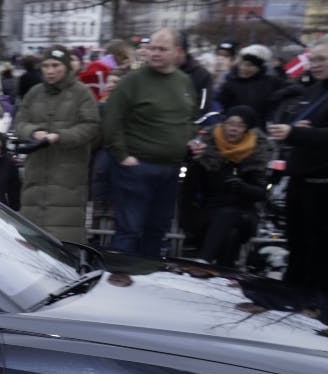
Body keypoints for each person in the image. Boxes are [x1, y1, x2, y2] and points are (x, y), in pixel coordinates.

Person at [101, 28, 198, 257]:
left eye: (162, 49)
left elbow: (190, 117)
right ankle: (121, 283)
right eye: (152, 48)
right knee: (129, 232)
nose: (154, 53)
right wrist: (123, 156)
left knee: (157, 230)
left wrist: (189, 138)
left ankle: (150, 282)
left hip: (171, 169)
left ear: (178, 52)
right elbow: (111, 121)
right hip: (136, 168)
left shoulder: (184, 82)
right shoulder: (132, 82)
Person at [14, 44, 99, 243]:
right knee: (33, 240)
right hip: (36, 172)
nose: (50, 71)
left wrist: (59, 136)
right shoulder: (34, 93)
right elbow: (20, 122)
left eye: (55, 65)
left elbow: (90, 126)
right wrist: (34, 132)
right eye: (46, 65)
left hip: (68, 176)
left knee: (64, 238)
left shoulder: (82, 93)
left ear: (67, 67)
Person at [267, 38, 328, 292]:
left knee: (320, 252)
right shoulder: (314, 89)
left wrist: (297, 133)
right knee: (297, 246)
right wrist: (296, 128)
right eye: (312, 59)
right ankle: (291, 295)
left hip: (323, 186)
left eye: (321, 59)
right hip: (300, 179)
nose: (313, 65)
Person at [185, 106, 272, 266]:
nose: (233, 129)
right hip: (209, 210)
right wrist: (188, 222)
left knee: (229, 216)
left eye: (240, 125)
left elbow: (261, 193)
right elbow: (188, 190)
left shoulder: (256, 153)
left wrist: (242, 187)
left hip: (243, 213)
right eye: (230, 123)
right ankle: (224, 273)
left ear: (247, 130)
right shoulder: (206, 149)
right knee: (230, 233)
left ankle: (203, 262)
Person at [217, 45, 283, 122]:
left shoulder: (271, 82)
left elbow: (292, 91)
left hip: (260, 129)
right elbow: (220, 105)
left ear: (258, 67)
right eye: (241, 64)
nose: (243, 68)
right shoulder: (230, 83)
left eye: (249, 65)